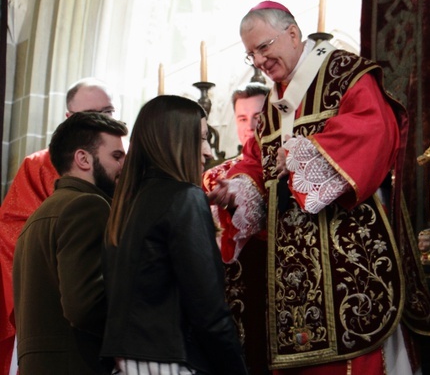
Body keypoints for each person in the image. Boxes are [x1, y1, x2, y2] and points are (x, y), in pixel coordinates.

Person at [208, 1, 430, 374]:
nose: (259, 61)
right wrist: (236, 191)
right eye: (251, 54)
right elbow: (255, 161)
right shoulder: (273, 105)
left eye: (264, 47)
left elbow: (375, 130)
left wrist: (309, 155)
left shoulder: (344, 73)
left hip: (347, 253)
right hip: (292, 268)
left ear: (293, 33)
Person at [101, 95, 247, 375]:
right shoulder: (184, 198)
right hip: (170, 361)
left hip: (126, 363)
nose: (207, 151)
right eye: (202, 138)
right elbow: (209, 310)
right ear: (176, 141)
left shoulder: (126, 204)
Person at [0, 78, 116, 375]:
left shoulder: (117, 166)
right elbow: (15, 228)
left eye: (108, 112)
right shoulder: (40, 166)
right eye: (92, 113)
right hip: (60, 324)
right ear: (69, 118)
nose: (101, 120)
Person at [202, 82, 270, 375]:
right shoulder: (215, 176)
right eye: (242, 118)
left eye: (258, 116)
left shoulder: (291, 166)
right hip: (230, 297)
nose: (251, 125)